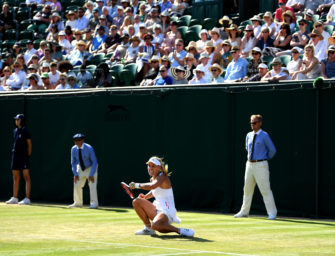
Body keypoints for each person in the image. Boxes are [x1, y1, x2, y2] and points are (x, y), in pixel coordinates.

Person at [129, 156, 194, 237]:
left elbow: (152, 186)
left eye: (153, 166)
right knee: (136, 201)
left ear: (159, 168)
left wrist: (136, 185)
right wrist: (145, 197)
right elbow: (154, 191)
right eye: (149, 166)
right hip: (157, 209)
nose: (150, 168)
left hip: (167, 212)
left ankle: (180, 230)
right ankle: (148, 229)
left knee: (156, 225)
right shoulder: (152, 179)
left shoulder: (163, 177)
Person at [234, 114, 277, 220]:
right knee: (247, 189)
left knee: (265, 189)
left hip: (261, 164)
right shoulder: (248, 135)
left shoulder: (264, 135)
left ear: (260, 123)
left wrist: (263, 158)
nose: (252, 125)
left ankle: (272, 213)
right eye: (251, 123)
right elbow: (246, 148)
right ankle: (244, 211)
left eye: (254, 123)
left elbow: (272, 150)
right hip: (249, 164)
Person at [6, 114, 32, 205]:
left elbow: (29, 145)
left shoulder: (26, 131)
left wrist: (27, 156)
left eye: (18, 119)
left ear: (22, 120)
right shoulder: (15, 131)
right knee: (16, 177)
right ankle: (15, 197)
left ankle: (27, 198)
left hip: (23, 156)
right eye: (16, 119)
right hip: (15, 155)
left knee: (26, 176)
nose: (16, 121)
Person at [70, 133, 99, 209]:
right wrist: (75, 174)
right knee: (76, 184)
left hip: (91, 167)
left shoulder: (89, 148)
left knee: (92, 185)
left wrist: (91, 174)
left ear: (83, 140)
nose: (77, 142)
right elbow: (73, 163)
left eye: (79, 140)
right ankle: (77, 203)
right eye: (75, 140)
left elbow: (94, 162)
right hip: (80, 168)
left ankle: (94, 204)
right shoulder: (73, 149)